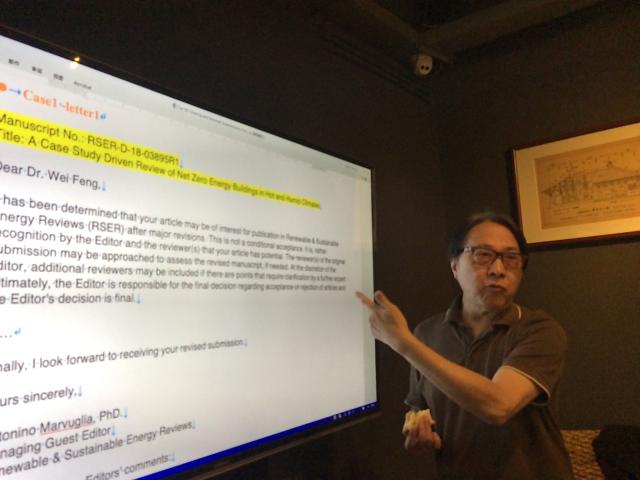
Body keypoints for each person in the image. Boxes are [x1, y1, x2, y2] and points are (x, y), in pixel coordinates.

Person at [357, 212, 574, 479]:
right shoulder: (427, 334)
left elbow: (499, 405)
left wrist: (403, 343)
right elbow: (420, 409)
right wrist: (420, 434)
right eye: (483, 255)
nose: (498, 269)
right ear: (454, 266)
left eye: (511, 258)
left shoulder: (540, 331)